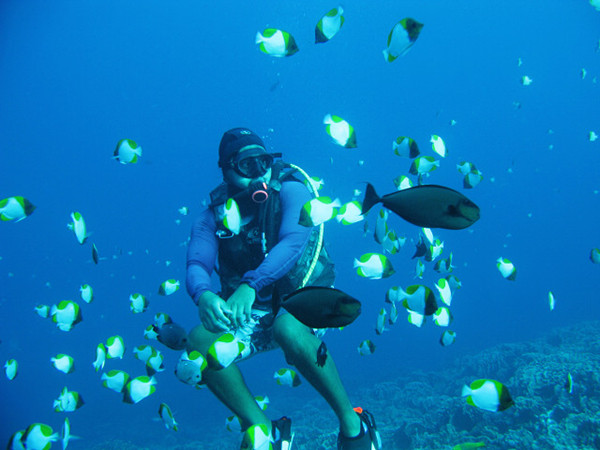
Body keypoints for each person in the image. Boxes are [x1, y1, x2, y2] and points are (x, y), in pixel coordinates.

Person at [183, 127, 382, 450]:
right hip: (252, 307)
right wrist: (203, 294)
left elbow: (292, 242)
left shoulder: (291, 190)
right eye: (246, 166)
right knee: (199, 341)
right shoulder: (212, 216)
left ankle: (354, 424)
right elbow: (197, 263)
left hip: (304, 292)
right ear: (226, 169)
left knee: (288, 328)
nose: (258, 173)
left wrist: (251, 284)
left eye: (262, 163)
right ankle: (264, 429)